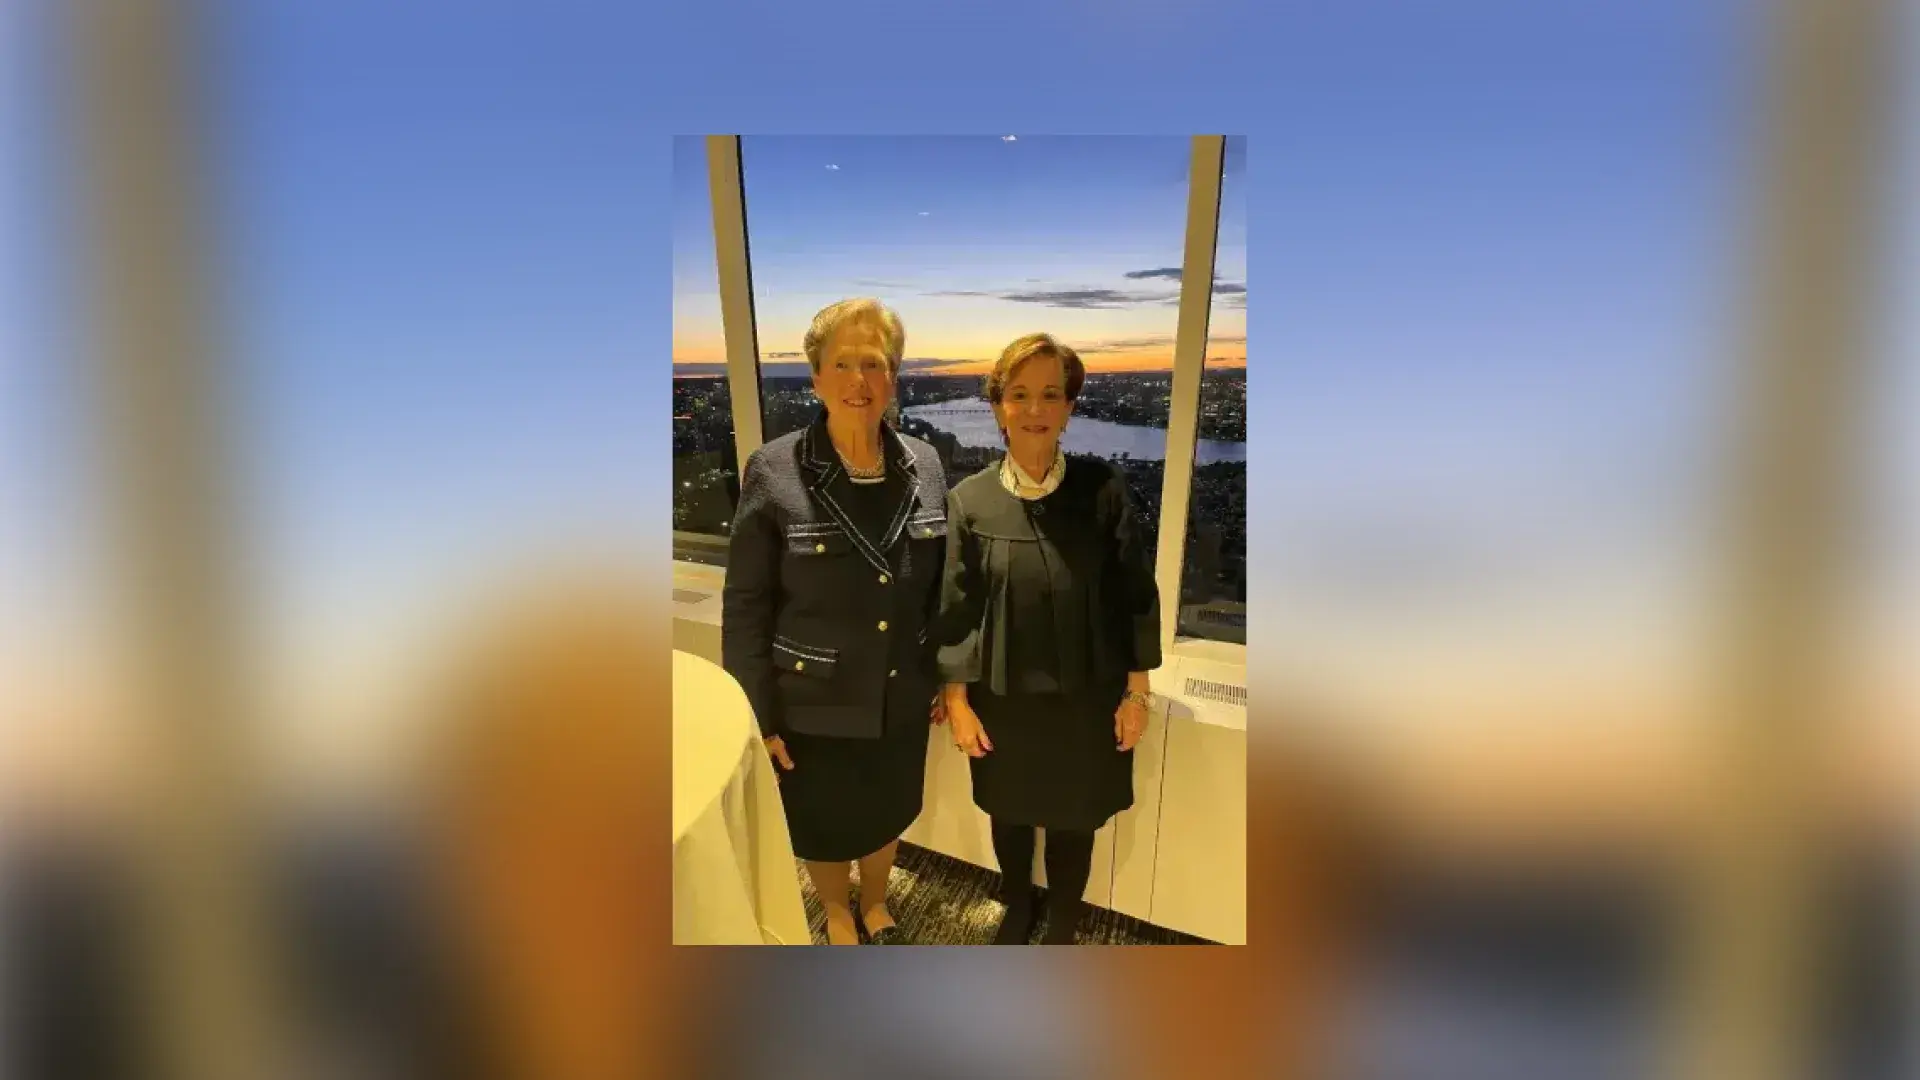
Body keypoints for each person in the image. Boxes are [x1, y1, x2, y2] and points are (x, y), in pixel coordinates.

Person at [722, 298, 948, 945]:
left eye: (874, 363)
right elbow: (745, 605)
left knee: (886, 814)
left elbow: (942, 583)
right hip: (811, 700)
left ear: (894, 377)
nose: (859, 381)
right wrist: (757, 717)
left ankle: (875, 901)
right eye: (841, 363)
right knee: (822, 823)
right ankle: (838, 911)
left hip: (902, 691)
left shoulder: (924, 464)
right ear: (815, 378)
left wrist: (947, 673)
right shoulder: (775, 469)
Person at [936, 333, 1161, 945]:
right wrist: (956, 701)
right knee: (1008, 809)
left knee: (1074, 818)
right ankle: (1017, 902)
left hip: (1088, 691)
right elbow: (957, 609)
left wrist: (1136, 694)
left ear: (1069, 407)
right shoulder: (970, 500)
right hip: (1002, 694)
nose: (1035, 410)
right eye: (1020, 394)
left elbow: (1136, 596)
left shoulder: (1103, 489)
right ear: (998, 406)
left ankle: (1063, 912)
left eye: (1050, 395)